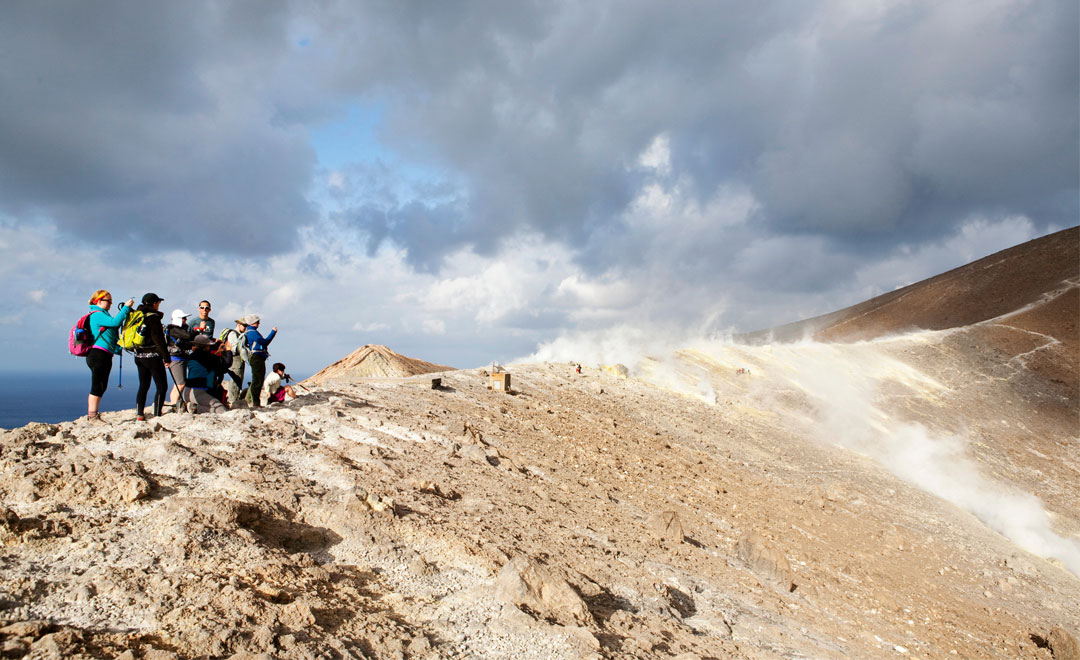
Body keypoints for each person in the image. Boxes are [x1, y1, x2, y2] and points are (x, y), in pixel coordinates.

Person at [84, 289, 134, 423]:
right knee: (97, 384)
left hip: (104, 354)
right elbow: (115, 323)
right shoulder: (97, 314)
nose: (111, 303)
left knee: (102, 384)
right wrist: (125, 308)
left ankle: (93, 414)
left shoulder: (102, 314)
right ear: (99, 301)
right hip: (98, 353)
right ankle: (92, 415)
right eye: (108, 301)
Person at [132, 293, 170, 421]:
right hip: (152, 356)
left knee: (143, 385)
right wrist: (166, 357)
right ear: (154, 303)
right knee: (162, 386)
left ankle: (139, 414)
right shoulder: (153, 317)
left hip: (138, 355)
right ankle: (157, 414)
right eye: (158, 303)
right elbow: (158, 340)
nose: (159, 305)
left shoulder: (136, 316)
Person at [184, 335, 232, 414]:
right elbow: (226, 363)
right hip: (198, 392)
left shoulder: (191, 357)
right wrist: (228, 351)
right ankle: (195, 408)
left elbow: (207, 363)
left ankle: (193, 405)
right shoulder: (209, 358)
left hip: (188, 391)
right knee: (220, 409)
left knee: (216, 392)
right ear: (206, 346)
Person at [243, 314, 277, 408]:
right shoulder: (252, 332)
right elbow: (265, 342)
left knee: (258, 379)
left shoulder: (250, 332)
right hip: (257, 357)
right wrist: (273, 332)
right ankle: (255, 403)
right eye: (258, 322)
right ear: (254, 323)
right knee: (257, 380)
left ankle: (255, 402)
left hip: (257, 357)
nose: (259, 323)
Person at [165, 309, 194, 410]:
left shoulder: (175, 329)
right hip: (176, 358)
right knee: (181, 384)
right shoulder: (174, 329)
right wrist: (198, 331)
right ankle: (174, 405)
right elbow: (188, 336)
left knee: (178, 383)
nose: (185, 320)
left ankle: (174, 404)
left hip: (179, 357)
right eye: (184, 318)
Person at [219, 318, 249, 408]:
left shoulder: (237, 334)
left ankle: (234, 399)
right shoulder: (233, 334)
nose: (245, 327)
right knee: (236, 379)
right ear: (238, 325)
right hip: (235, 358)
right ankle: (232, 400)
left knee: (238, 378)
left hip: (237, 358)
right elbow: (234, 347)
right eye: (244, 325)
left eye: (246, 326)